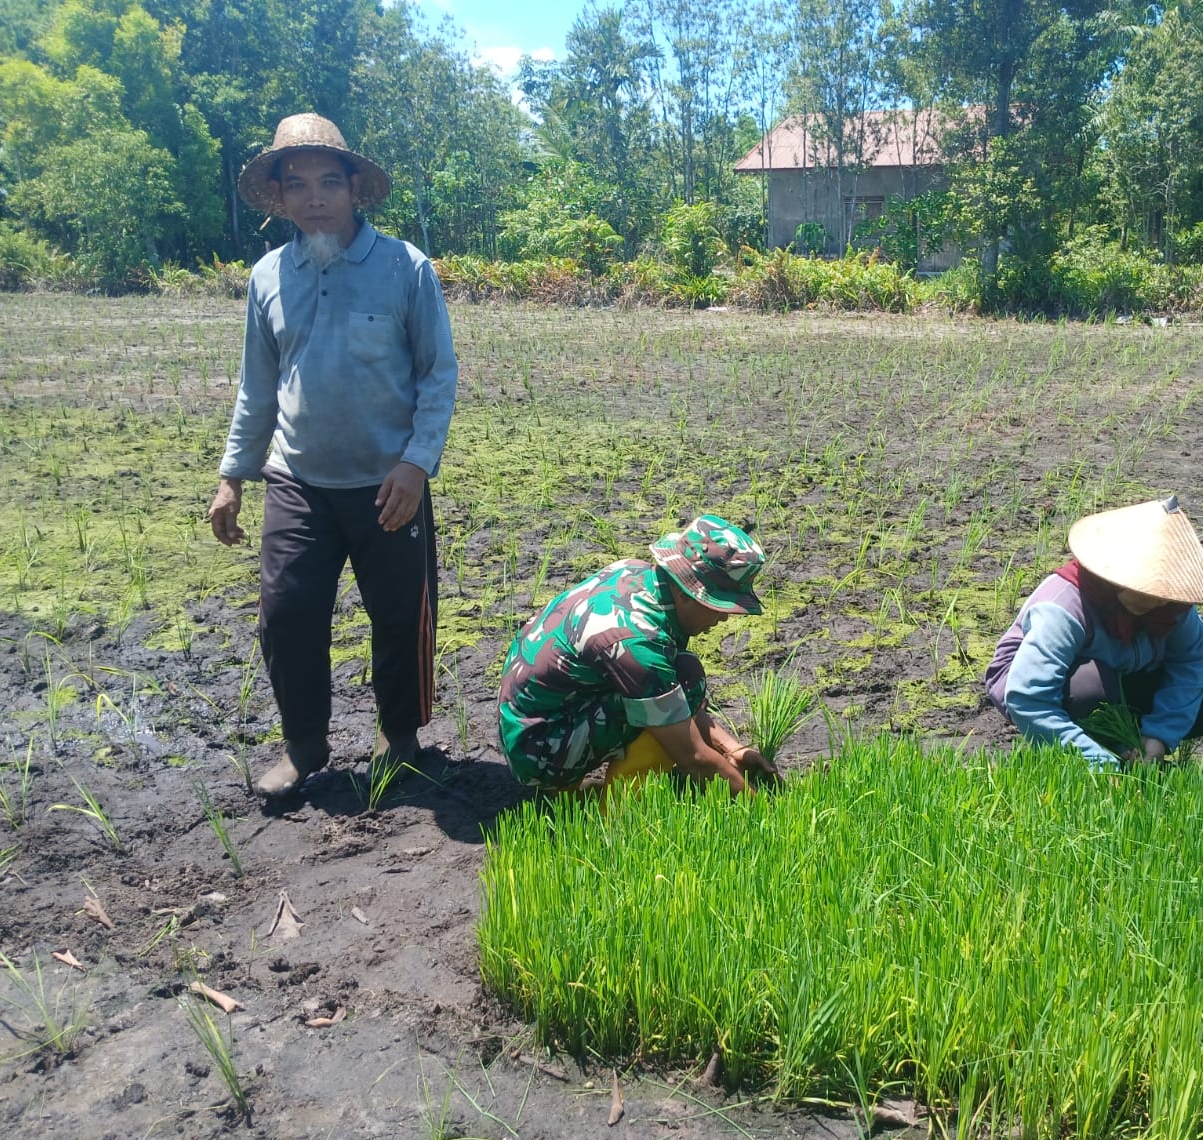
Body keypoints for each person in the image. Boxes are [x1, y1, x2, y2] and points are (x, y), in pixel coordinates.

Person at [206, 114, 458, 798]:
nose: (314, 198)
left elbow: (437, 374)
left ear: (353, 188)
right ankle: (304, 745)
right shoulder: (268, 276)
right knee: (286, 612)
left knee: (401, 616)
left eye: (328, 182)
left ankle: (400, 738)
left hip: (388, 483)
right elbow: (258, 385)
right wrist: (233, 476)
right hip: (297, 479)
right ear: (280, 197)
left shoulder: (404, 267)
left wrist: (416, 463)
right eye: (297, 185)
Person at [498, 514, 777, 797]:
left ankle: (582, 791)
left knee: (681, 675)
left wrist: (732, 749)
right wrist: (762, 808)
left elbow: (672, 694)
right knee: (685, 683)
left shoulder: (636, 575)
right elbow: (694, 758)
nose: (725, 617)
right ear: (687, 592)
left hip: (541, 720)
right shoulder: (637, 642)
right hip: (538, 750)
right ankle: (618, 808)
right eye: (719, 605)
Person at [985, 495, 1203, 767]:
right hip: (1033, 681)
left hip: (1120, 675)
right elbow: (1028, 697)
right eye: (1142, 588)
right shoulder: (1064, 605)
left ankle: (1133, 747)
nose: (1153, 601)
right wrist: (1101, 764)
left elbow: (1190, 666)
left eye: (1161, 594)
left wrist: (1158, 736)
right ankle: (1082, 746)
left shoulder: (1172, 606)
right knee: (1090, 691)